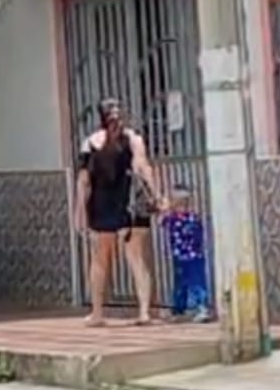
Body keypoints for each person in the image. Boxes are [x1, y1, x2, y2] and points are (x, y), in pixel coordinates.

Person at [73, 98, 163, 327]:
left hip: (103, 204)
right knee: (137, 258)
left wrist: (79, 210)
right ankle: (143, 313)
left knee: (101, 258)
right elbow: (143, 168)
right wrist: (156, 196)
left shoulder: (91, 142)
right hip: (131, 203)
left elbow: (84, 180)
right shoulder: (134, 139)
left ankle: (97, 314)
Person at [163, 187, 212, 322]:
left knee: (196, 282)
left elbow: (197, 235)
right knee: (181, 284)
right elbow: (162, 218)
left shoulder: (192, 218)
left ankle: (201, 308)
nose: (182, 205)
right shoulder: (172, 218)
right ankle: (179, 309)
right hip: (180, 257)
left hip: (194, 256)